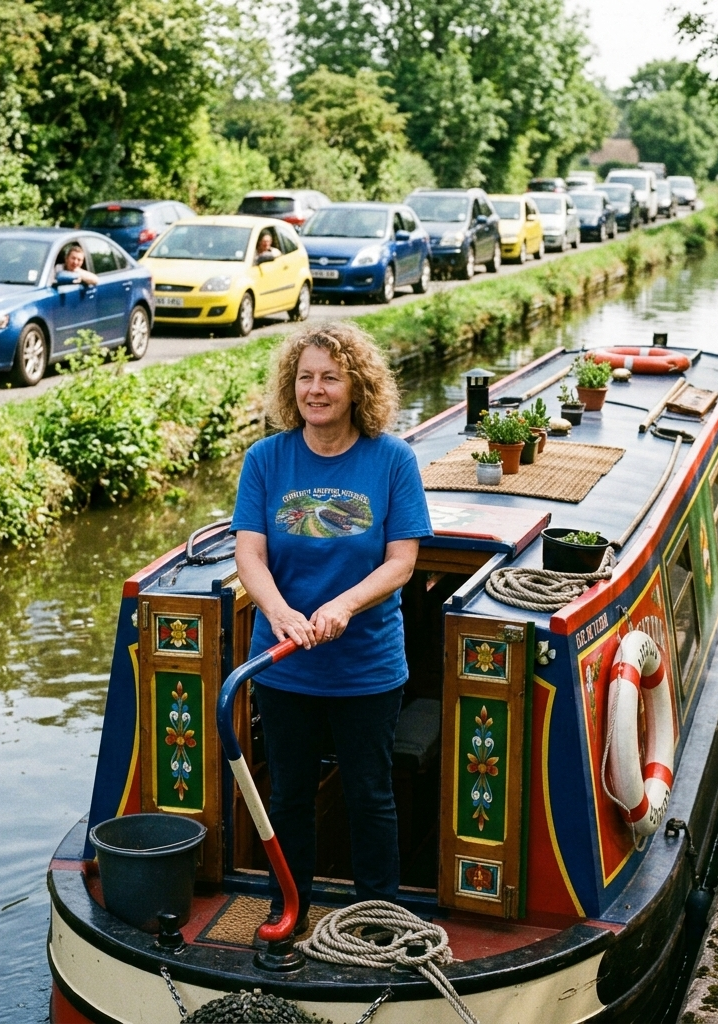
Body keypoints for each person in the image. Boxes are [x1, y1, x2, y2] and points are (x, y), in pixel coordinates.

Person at [231, 321, 432, 939]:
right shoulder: (266, 459)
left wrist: (343, 606)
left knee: (369, 794)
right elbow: (249, 556)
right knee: (288, 795)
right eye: (305, 378)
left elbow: (402, 561)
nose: (315, 390)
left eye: (330, 378)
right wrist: (280, 613)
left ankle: (377, 920)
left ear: (356, 387)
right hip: (284, 662)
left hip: (366, 666)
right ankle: (288, 907)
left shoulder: (392, 460)